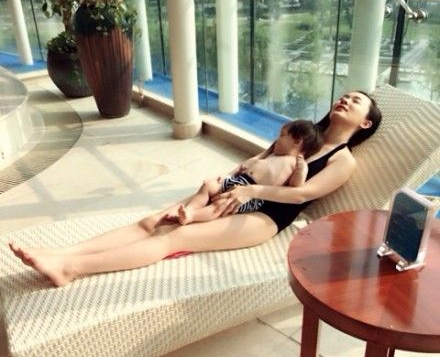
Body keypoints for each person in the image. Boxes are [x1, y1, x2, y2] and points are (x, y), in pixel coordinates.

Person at [9, 91, 382, 287]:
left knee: (172, 237)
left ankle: (70, 268)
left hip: (264, 217)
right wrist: (220, 184)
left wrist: (251, 193)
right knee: (152, 222)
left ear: (365, 123)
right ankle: (63, 252)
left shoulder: (342, 160)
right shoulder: (304, 135)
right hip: (232, 194)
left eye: (356, 101)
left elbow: (302, 195)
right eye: (345, 95)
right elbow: (252, 162)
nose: (345, 99)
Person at [172, 119, 321, 226]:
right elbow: (251, 162)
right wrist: (230, 175)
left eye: (282, 135)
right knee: (208, 186)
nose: (277, 139)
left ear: (297, 141)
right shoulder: (275, 153)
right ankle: (189, 208)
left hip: (253, 196)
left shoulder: (296, 163)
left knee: (221, 205)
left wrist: (302, 171)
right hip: (240, 180)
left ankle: (192, 216)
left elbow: (295, 187)